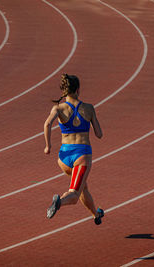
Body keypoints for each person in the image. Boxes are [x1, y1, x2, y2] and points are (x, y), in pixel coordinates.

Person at [44, 73, 104, 225]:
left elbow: (47, 124)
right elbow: (99, 134)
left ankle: (96, 214)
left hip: (64, 158)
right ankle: (59, 202)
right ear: (78, 90)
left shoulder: (58, 108)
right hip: (81, 156)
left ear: (64, 91)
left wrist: (48, 146)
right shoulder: (89, 108)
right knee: (74, 194)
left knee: (83, 187)